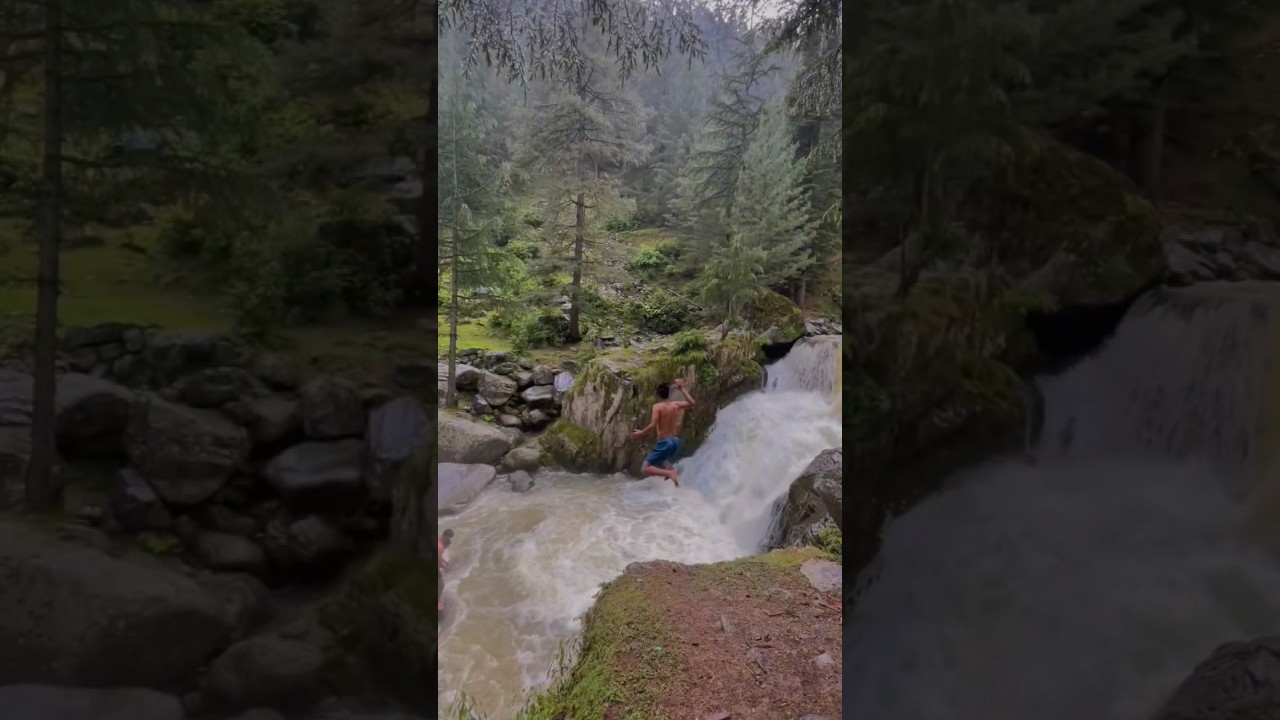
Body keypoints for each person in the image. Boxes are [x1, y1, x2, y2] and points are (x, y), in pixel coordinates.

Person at [630, 378, 695, 486]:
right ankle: (674, 475)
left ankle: (670, 473)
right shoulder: (676, 405)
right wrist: (682, 389)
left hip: (665, 442)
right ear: (669, 394)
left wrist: (641, 432)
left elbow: (653, 424)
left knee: (645, 468)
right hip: (675, 441)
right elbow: (691, 403)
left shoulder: (657, 407)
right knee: (663, 459)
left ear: (658, 395)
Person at [438, 529, 453, 613]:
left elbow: (439, 557)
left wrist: (445, 562)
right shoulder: (441, 547)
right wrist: (444, 568)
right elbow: (438, 561)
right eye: (447, 547)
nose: (446, 548)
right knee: (441, 584)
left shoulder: (438, 543)